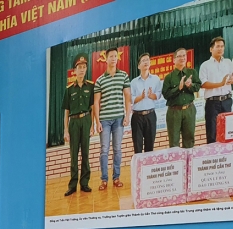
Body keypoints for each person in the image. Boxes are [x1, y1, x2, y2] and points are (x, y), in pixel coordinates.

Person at [94, 47, 131, 190]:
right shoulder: (99, 80)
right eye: (111, 56)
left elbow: (128, 97)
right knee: (104, 149)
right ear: (106, 59)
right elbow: (96, 102)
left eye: (115, 56)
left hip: (119, 119)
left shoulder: (124, 76)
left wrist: (127, 116)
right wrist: (97, 122)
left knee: (117, 149)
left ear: (118, 58)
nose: (113, 58)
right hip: (104, 120)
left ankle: (116, 177)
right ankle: (104, 180)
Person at [62, 53, 95, 195]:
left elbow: (93, 108)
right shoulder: (69, 89)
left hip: (86, 120)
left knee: (86, 154)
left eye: (84, 67)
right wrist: (65, 130)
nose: (82, 70)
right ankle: (72, 185)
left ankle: (84, 183)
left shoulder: (91, 87)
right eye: (79, 67)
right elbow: (66, 112)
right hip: (74, 122)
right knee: (74, 155)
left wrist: (92, 125)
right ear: (74, 71)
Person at [162, 48, 202, 148]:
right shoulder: (169, 77)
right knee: (174, 142)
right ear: (174, 60)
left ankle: (189, 163)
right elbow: (166, 95)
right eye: (179, 56)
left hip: (189, 109)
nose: (182, 58)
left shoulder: (191, 72)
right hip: (174, 112)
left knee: (189, 140)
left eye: (184, 55)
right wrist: (178, 88)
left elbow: (197, 86)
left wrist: (190, 85)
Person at [199, 37, 233, 144]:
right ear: (211, 49)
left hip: (227, 100)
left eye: (222, 46)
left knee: (228, 131)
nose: (220, 49)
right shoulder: (205, 65)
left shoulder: (228, 62)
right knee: (212, 133)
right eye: (217, 46)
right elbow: (203, 84)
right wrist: (220, 84)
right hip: (212, 102)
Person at [129, 53, 161, 154]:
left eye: (147, 60)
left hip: (150, 115)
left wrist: (152, 96)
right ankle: (138, 169)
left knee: (150, 146)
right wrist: (141, 97)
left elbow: (159, 94)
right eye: (143, 60)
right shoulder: (134, 82)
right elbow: (131, 98)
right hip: (137, 116)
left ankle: (148, 169)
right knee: (137, 147)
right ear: (139, 66)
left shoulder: (156, 79)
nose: (146, 62)